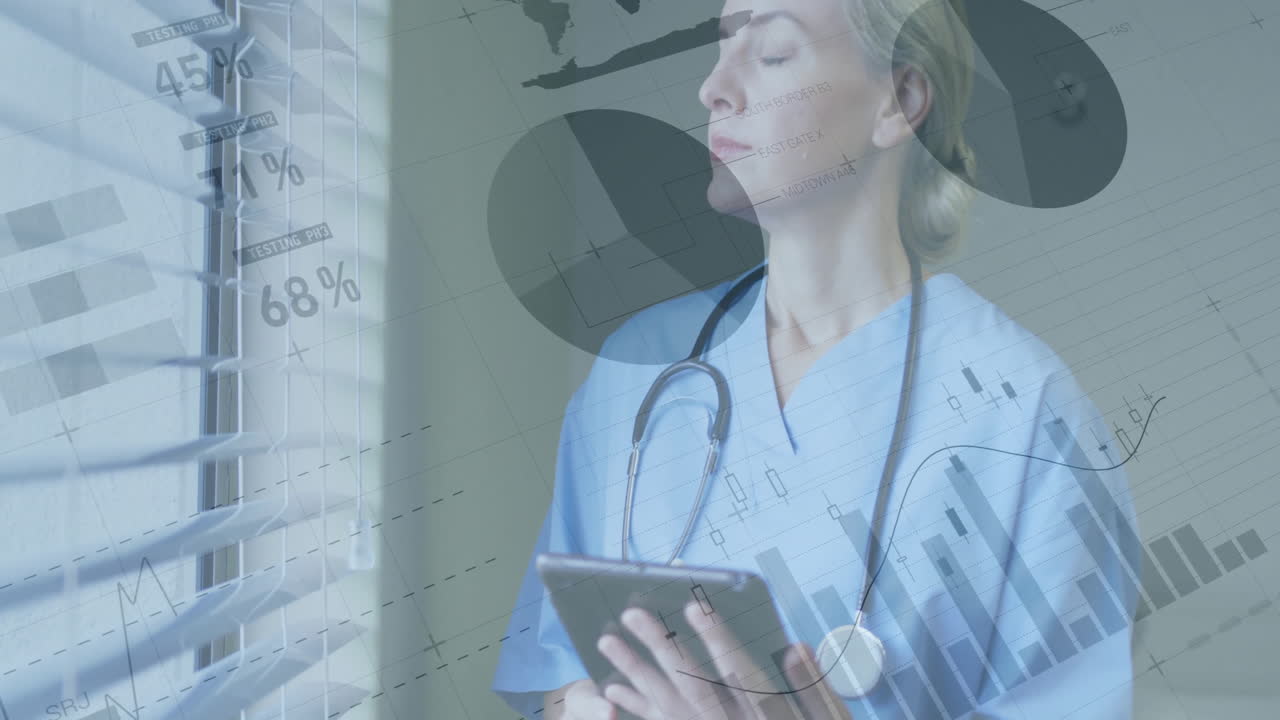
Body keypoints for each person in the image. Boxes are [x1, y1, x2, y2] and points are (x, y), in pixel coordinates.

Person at [493, 0, 1139, 717]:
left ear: (899, 101)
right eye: (720, 47)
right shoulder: (637, 372)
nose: (714, 89)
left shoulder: (1024, 411)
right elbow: (548, 673)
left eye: (770, 52)